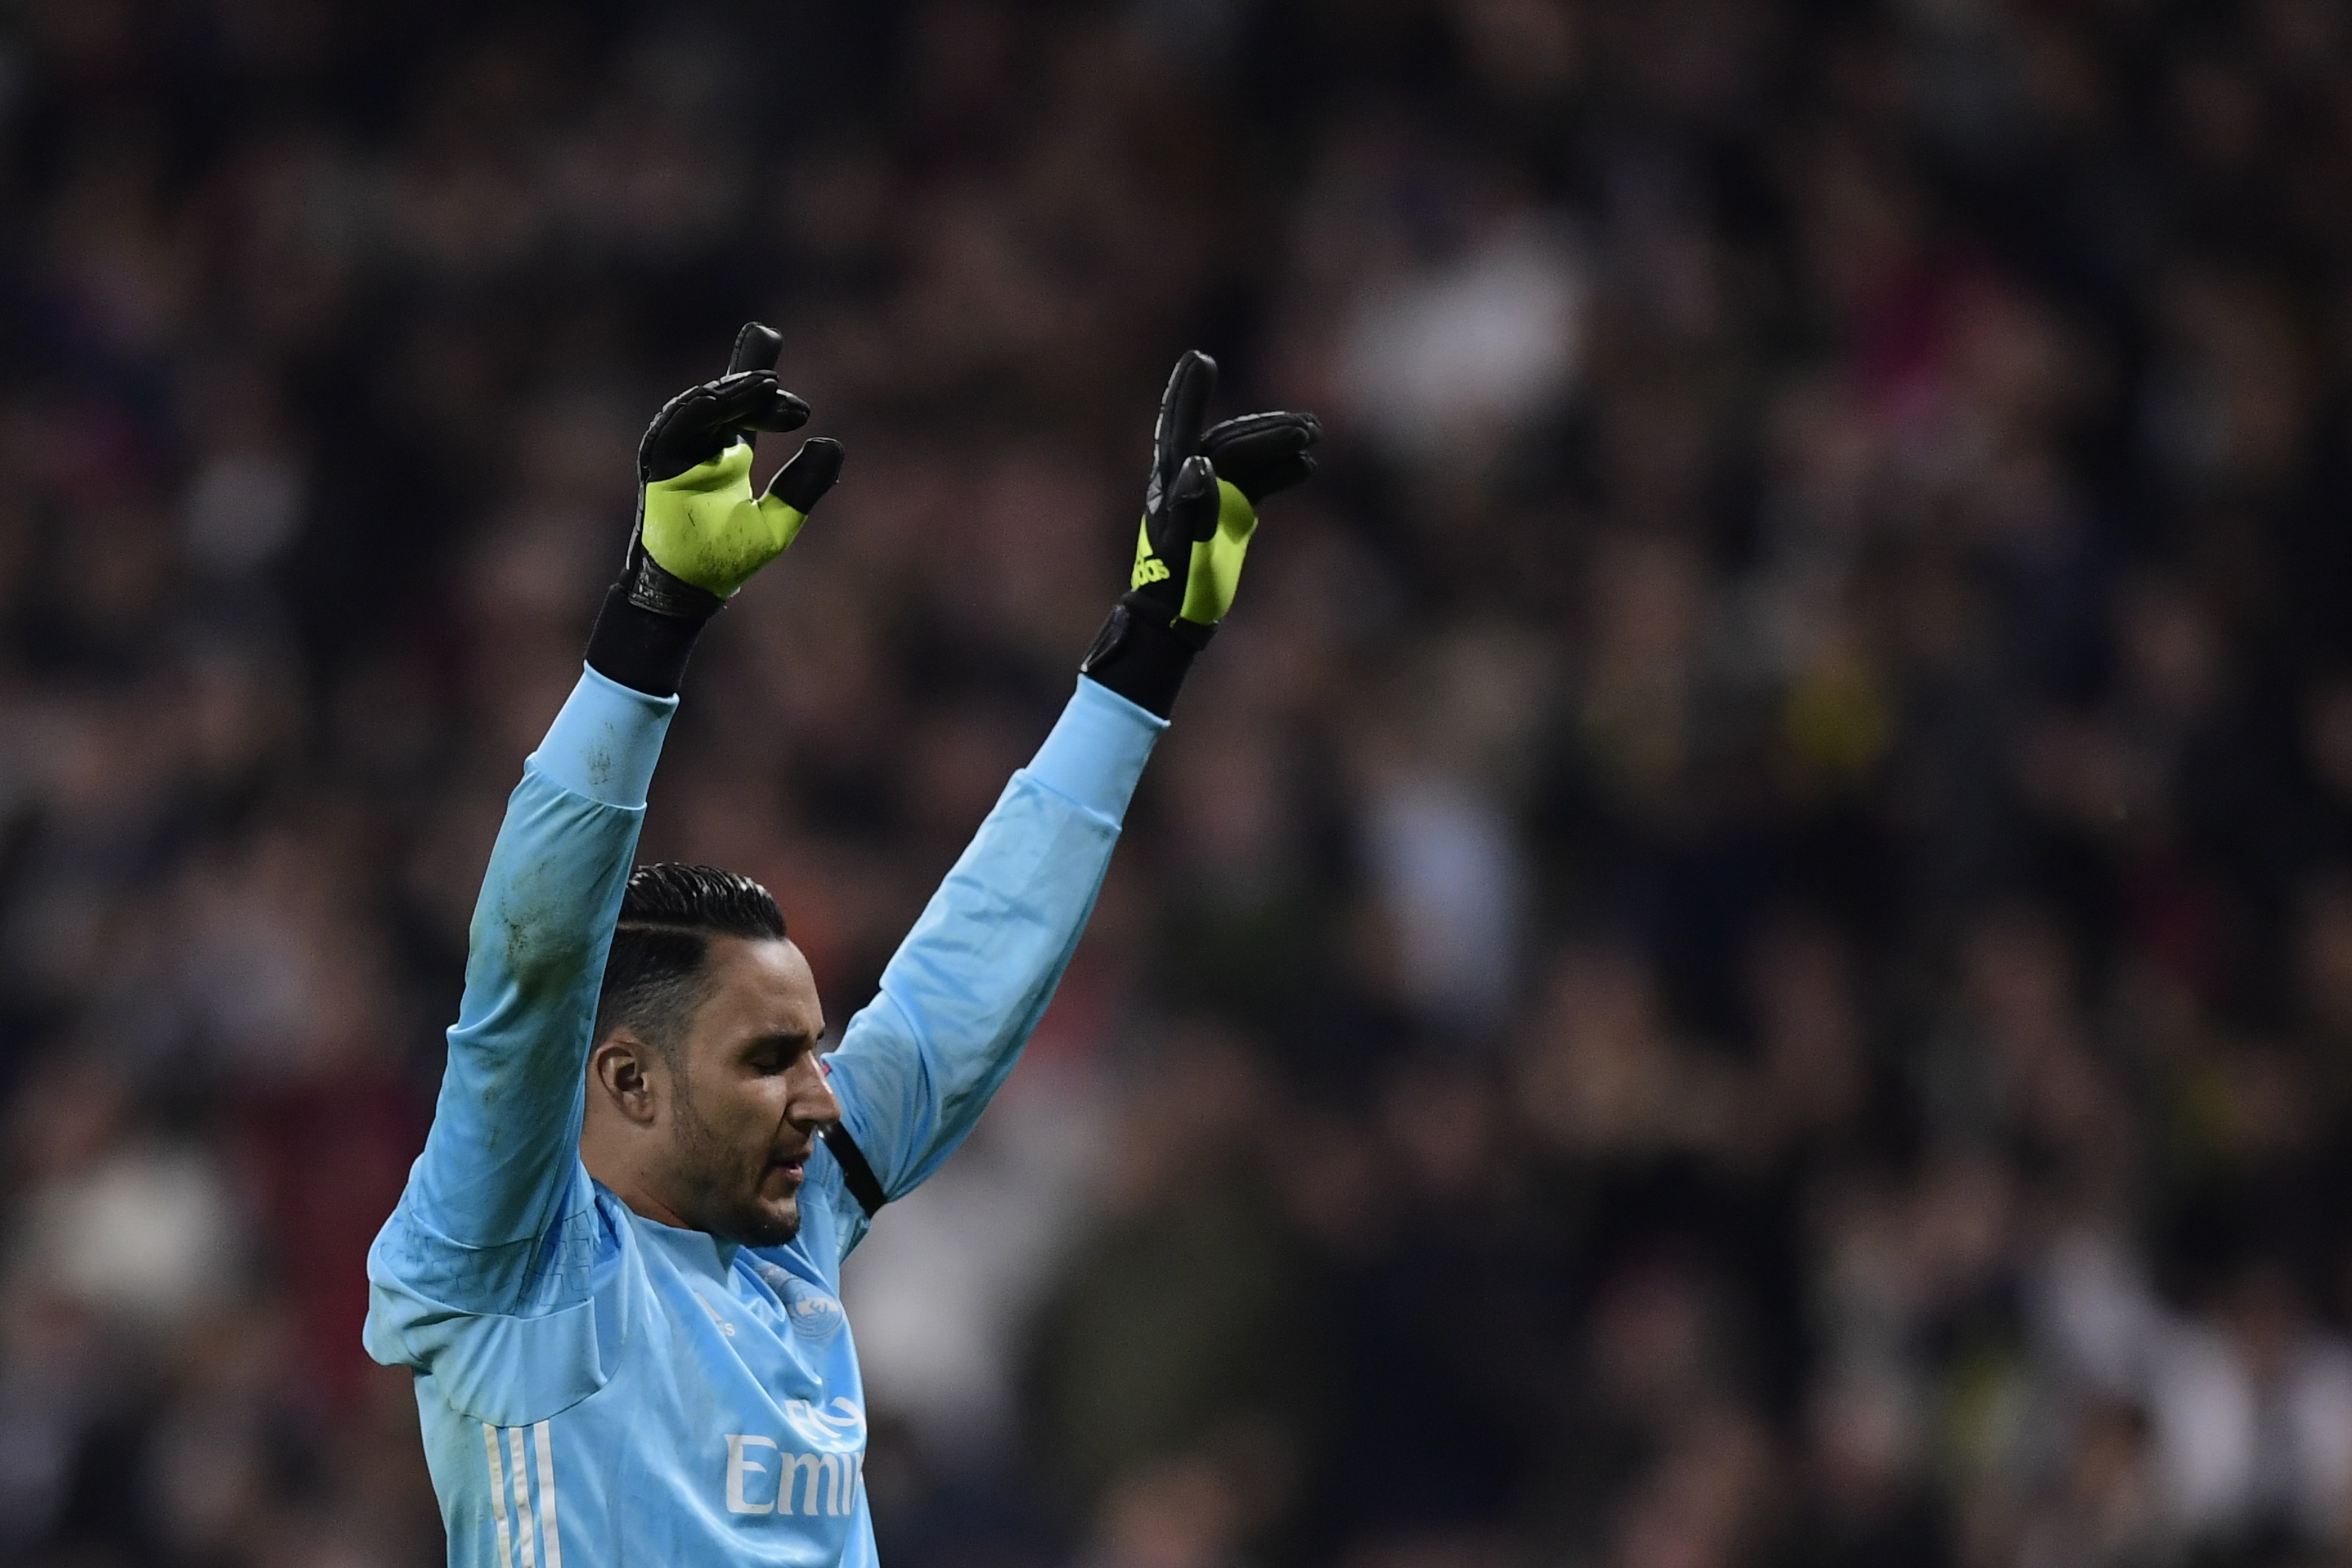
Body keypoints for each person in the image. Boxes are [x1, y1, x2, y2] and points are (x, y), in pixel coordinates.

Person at [363, 323, 1321, 1568]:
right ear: (630, 1078)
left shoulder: (795, 1218)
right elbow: (531, 968)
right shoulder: (514, 1257)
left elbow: (961, 987)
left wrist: (1145, 657)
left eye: (811, 1050)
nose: (821, 1095)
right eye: (769, 1060)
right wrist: (651, 625)